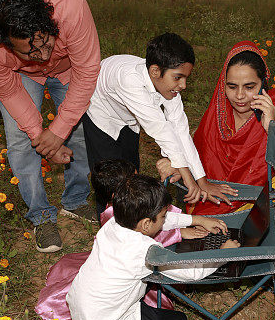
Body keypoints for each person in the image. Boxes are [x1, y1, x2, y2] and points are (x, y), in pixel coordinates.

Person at [160, 41, 275, 313]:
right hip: (222, 199)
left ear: (264, 83)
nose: (239, 96)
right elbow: (198, 156)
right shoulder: (218, 111)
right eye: (231, 86)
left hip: (267, 203)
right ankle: (233, 257)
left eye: (250, 87)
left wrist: (272, 127)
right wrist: (174, 163)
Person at [0, 0, 101, 253]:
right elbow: (10, 93)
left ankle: (76, 200)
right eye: (30, 50)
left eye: (46, 42)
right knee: (20, 139)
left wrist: (59, 131)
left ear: (51, 23)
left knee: (79, 130)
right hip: (18, 75)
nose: (42, 55)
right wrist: (43, 138)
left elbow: (87, 70)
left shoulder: (71, 10)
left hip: (69, 67)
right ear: (4, 43)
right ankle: (40, 215)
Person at [66, 174, 239, 320]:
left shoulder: (114, 224)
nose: (166, 219)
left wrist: (195, 220)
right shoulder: (145, 251)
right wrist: (223, 254)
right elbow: (192, 273)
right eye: (163, 217)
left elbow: (159, 218)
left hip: (82, 310)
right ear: (146, 224)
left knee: (148, 312)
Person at [82, 32, 236, 219]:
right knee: (110, 180)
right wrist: (189, 180)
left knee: (131, 174)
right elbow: (160, 129)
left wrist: (201, 181)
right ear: (155, 72)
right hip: (102, 114)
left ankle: (132, 221)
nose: (184, 85)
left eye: (186, 78)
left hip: (129, 117)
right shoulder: (129, 81)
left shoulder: (166, 85)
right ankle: (110, 226)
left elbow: (180, 131)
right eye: (178, 77)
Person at [35, 160, 210, 320]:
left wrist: (190, 223)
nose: (139, 182)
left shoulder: (120, 210)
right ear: (117, 193)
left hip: (115, 266)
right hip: (128, 282)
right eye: (134, 180)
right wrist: (181, 234)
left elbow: (154, 223)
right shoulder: (117, 219)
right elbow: (152, 241)